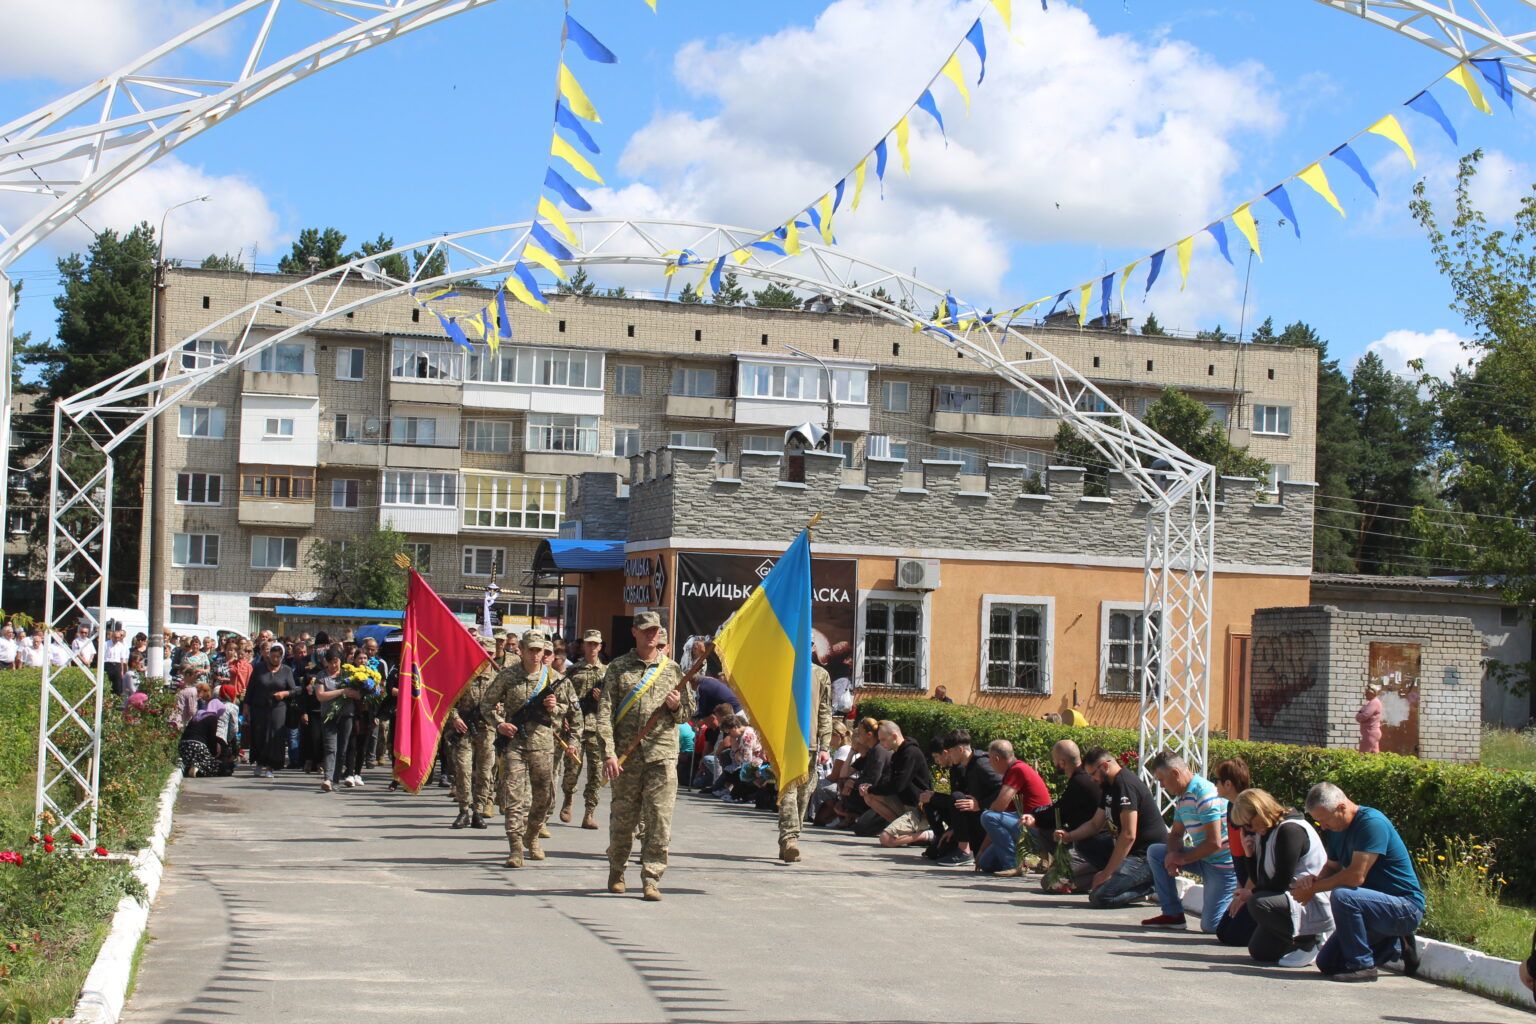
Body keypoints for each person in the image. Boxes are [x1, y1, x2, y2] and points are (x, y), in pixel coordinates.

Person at [597, 610, 694, 901]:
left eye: (656, 630)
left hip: (662, 755)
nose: (652, 634)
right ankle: (617, 869)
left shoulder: (672, 670)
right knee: (624, 820)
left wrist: (677, 707)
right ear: (635, 633)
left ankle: (651, 876)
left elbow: (687, 713)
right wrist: (608, 753)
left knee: (659, 819)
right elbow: (604, 713)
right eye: (646, 630)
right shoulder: (618, 668)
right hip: (627, 757)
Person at [1295, 782, 1424, 982]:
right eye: (1319, 822)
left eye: (1325, 820)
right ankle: (1395, 944)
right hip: (1371, 907)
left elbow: (1355, 876)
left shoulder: (1371, 823)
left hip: (1405, 906)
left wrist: (1314, 890)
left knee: (1343, 896)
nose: (1324, 827)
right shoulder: (1335, 829)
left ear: (1341, 807)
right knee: (1327, 963)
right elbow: (1332, 866)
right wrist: (1313, 882)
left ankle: (1363, 966)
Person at [480, 630, 580, 869]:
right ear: (522, 650)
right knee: (514, 799)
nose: (536, 655)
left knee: (544, 798)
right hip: (515, 746)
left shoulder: (556, 679)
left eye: (540, 651)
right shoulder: (508, 676)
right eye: (532, 650)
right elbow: (486, 704)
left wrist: (558, 713)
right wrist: (499, 724)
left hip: (544, 748)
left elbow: (575, 712)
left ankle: (532, 835)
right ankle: (515, 848)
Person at [1228, 788, 1334, 968]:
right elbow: (1262, 880)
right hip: (1290, 900)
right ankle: (1298, 942)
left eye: (1248, 825)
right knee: (1260, 951)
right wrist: (1250, 855)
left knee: (1258, 902)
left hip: (1310, 900)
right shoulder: (1266, 830)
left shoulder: (1290, 830)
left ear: (1259, 811)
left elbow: (1281, 882)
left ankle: (1310, 941)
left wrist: (1251, 892)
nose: (1248, 830)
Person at [1142, 751, 1237, 933]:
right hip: (1204, 860)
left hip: (1222, 867)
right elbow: (1176, 834)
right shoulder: (1183, 796)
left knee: (1212, 926)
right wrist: (1172, 856)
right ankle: (1173, 914)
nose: (1162, 786)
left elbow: (1214, 842)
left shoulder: (1203, 793)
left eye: (1162, 780)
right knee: (1156, 852)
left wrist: (1181, 859)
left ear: (1175, 774)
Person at [1078, 747, 1169, 907]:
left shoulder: (1125, 785)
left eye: (1092, 774)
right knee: (1082, 843)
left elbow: (1128, 834)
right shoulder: (1109, 786)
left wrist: (1106, 873)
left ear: (1105, 766)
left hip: (1146, 856)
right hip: (1130, 852)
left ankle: (1151, 886)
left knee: (1100, 898)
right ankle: (1118, 879)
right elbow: (1094, 824)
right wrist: (1069, 836)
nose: (1092, 779)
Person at [1023, 740, 1110, 893]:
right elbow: (1060, 808)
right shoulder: (1081, 778)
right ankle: (1077, 871)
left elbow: (1059, 812)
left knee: (1050, 882)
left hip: (1092, 847)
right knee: (1044, 831)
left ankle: (1100, 875)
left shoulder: (1080, 781)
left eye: (1054, 760)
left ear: (1062, 762)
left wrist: (1035, 816)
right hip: (1088, 841)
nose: (1054, 763)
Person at [776, 661, 834, 863]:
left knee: (803, 794)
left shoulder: (820, 674)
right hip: (784, 743)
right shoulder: (780, 668)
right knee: (788, 791)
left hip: (809, 744)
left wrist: (825, 745)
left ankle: (791, 838)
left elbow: (825, 710)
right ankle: (789, 838)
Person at [919, 729, 1001, 867]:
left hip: (985, 818)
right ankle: (948, 841)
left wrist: (980, 804)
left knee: (957, 797)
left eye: (950, 751)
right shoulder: (965, 765)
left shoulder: (981, 764)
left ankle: (964, 851)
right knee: (937, 851)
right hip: (973, 817)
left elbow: (1003, 788)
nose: (949, 755)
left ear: (961, 750)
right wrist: (953, 828)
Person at [446, 634, 499, 830]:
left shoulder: (498, 678)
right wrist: (455, 718)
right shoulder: (462, 675)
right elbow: (448, 702)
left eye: (491, 653)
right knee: (463, 770)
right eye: (484, 652)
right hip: (465, 730)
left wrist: (500, 711)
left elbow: (508, 704)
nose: (487, 656)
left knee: (485, 773)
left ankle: (478, 810)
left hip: (487, 731)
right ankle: (463, 810)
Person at [978, 739, 1052, 875]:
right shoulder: (1016, 769)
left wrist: (991, 810)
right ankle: (1020, 860)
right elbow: (999, 819)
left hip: (1036, 828)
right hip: (1023, 825)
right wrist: (982, 849)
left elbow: (999, 806)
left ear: (996, 758)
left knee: (987, 816)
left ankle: (1013, 864)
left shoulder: (1017, 770)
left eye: (990, 759)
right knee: (985, 863)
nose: (989, 763)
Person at [560, 628, 607, 830]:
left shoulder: (607, 673)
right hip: (576, 728)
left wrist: (601, 699)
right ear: (584, 646)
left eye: (596, 644)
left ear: (600, 646)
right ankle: (568, 799)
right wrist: (564, 717)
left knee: (596, 773)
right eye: (589, 643)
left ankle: (589, 812)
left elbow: (614, 702)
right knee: (572, 769)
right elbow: (563, 696)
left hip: (597, 727)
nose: (592, 647)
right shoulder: (573, 670)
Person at [862, 721, 933, 849]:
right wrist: (869, 789)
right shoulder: (896, 754)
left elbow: (898, 785)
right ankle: (902, 830)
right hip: (904, 804)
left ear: (894, 736)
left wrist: (873, 788)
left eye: (883, 740)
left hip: (918, 809)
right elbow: (887, 781)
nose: (881, 744)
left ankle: (928, 834)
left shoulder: (911, 753)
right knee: (870, 796)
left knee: (886, 839)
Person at [1213, 757, 1256, 947]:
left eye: (1218, 781)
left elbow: (1255, 859)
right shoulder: (1231, 806)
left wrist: (1246, 891)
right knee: (1222, 932)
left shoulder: (1247, 809)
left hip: (1255, 884)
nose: (1215, 785)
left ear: (1228, 784)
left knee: (1233, 936)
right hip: (1243, 880)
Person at [245, 642, 295, 779]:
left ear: (282, 657)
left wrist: (285, 694)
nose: (275, 659)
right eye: (272, 656)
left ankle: (270, 766)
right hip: (259, 707)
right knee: (259, 734)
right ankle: (259, 763)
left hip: (278, 708)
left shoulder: (286, 670)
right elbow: (251, 688)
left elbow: (295, 689)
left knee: (274, 736)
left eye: (277, 657)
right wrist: (246, 705)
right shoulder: (259, 668)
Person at [313, 648, 360, 792]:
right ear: (326, 662)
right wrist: (342, 692)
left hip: (346, 716)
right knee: (330, 748)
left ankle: (336, 779)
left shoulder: (349, 675)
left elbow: (358, 695)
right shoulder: (321, 676)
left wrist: (353, 693)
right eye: (331, 662)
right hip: (329, 716)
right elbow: (320, 696)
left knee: (342, 749)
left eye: (337, 662)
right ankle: (328, 778)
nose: (334, 665)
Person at [1356, 685, 1383, 754]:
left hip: (1370, 733)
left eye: (1366, 693)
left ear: (1372, 693)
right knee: (1374, 754)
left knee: (1362, 755)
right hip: (1371, 732)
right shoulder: (1371, 702)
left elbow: (1363, 716)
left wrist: (1358, 715)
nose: (1365, 694)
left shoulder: (1374, 702)